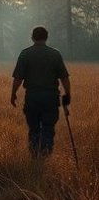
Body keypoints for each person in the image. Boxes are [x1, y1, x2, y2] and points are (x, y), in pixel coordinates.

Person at [11, 26, 71, 157]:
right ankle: (45, 156)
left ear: (32, 37)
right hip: (51, 98)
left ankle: (34, 157)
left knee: (34, 129)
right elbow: (64, 78)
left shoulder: (25, 54)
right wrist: (67, 96)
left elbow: (18, 78)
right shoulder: (55, 54)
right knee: (48, 128)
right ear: (47, 37)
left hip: (32, 97)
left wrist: (13, 94)